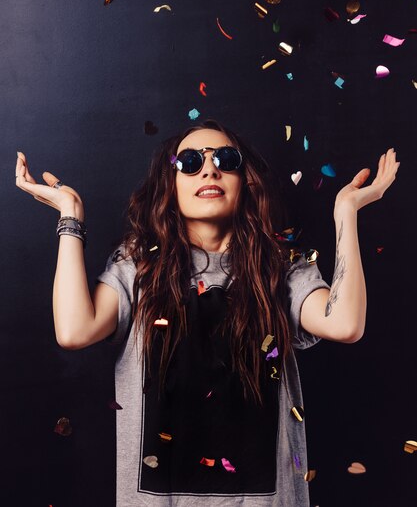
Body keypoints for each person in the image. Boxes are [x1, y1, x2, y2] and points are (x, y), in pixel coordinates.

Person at [15, 120, 400, 507]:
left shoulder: (281, 267)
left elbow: (345, 323)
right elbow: (73, 330)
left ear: (245, 182)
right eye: (190, 160)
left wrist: (346, 213)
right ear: (172, 183)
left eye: (226, 160)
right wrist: (70, 216)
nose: (209, 169)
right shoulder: (138, 266)